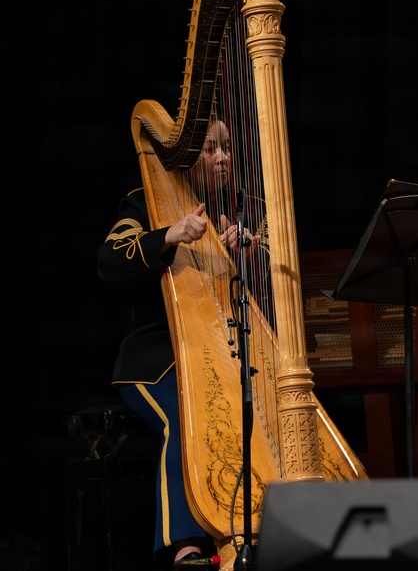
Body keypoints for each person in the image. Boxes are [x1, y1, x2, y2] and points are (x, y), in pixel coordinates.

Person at [97, 119, 251, 570]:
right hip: (155, 358)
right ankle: (186, 551)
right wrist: (170, 234)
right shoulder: (144, 200)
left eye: (227, 148)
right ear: (185, 156)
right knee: (189, 418)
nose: (223, 158)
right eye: (210, 149)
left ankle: (247, 534)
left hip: (220, 355)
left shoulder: (240, 209)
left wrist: (243, 255)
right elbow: (109, 260)